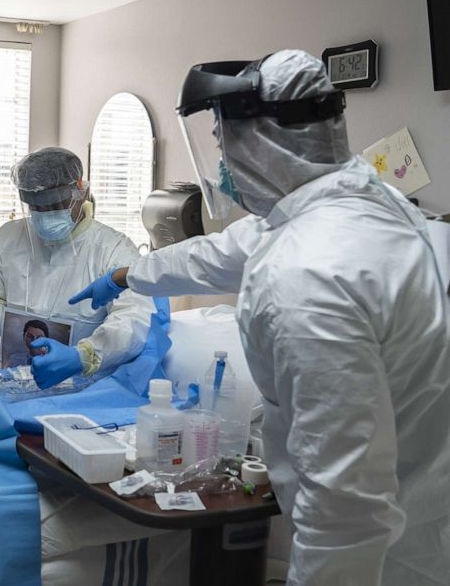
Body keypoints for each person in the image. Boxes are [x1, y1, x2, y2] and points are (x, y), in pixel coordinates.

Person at [71, 50, 450, 585]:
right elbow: (220, 252)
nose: (223, 161)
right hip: (423, 526)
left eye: (225, 141)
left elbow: (344, 504)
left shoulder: (306, 276)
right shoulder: (371, 204)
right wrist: (126, 277)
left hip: (370, 562)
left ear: (262, 141)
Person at [0, 146, 155, 389]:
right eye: (36, 208)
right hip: (14, 385)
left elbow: (134, 321)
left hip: (84, 390)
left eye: (55, 206)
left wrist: (83, 356)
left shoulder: (113, 249)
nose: (45, 215)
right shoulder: (9, 237)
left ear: (80, 190)